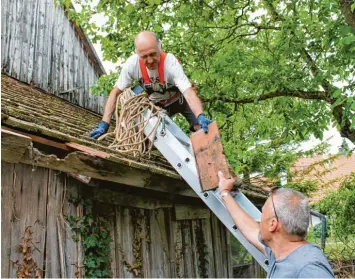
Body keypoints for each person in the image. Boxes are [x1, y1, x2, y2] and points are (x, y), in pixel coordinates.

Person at [89, 31, 212, 139]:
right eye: (144, 56)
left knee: (202, 128)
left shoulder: (170, 63)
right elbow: (115, 93)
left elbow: (188, 91)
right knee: (146, 135)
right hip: (159, 106)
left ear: (160, 48)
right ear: (137, 54)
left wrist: (200, 115)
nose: (150, 60)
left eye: (153, 54)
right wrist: (104, 123)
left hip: (180, 101)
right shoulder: (132, 65)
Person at [217, 171, 334, 278]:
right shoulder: (279, 252)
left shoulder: (309, 268)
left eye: (262, 213)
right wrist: (225, 193)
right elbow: (250, 229)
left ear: (273, 224)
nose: (260, 219)